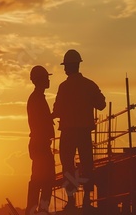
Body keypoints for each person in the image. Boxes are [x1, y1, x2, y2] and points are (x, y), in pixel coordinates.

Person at [52, 49, 106, 211]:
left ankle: (71, 200)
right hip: (83, 132)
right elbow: (102, 104)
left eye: (65, 66)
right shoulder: (89, 85)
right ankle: (87, 200)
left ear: (69, 66)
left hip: (68, 132)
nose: (64, 69)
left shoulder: (64, 87)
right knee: (87, 165)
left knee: (68, 166)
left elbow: (57, 110)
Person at [26, 65, 56, 215]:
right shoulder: (36, 99)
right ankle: (37, 210)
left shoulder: (37, 98)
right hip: (40, 144)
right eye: (46, 78)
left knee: (42, 179)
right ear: (39, 80)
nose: (48, 80)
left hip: (40, 144)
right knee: (43, 179)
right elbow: (39, 122)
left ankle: (35, 209)